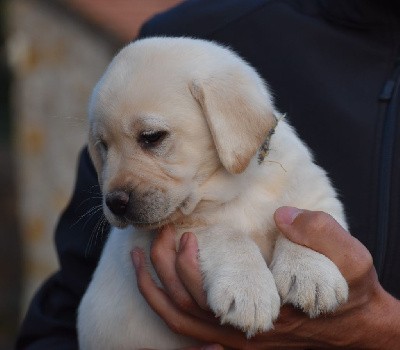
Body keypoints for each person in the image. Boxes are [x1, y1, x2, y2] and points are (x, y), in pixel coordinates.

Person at [16, 0, 400, 348]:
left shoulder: (255, 126)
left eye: (152, 138)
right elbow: (59, 314)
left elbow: (317, 212)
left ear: (233, 126)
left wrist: (378, 329)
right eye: (104, 148)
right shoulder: (181, 44)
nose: (114, 187)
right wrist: (228, 253)